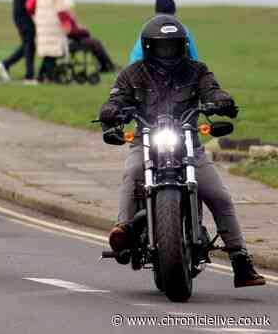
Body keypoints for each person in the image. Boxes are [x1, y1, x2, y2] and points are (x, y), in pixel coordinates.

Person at [98, 15, 264, 288]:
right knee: (132, 171)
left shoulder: (197, 70)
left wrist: (220, 101)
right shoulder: (133, 73)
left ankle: (240, 260)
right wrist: (111, 112)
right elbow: (115, 98)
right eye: (162, 46)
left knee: (220, 195)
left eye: (173, 46)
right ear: (149, 47)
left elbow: (212, 90)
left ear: (182, 46)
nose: (168, 51)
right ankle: (124, 229)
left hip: (189, 145)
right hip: (146, 142)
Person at [0, 0, 37, 83]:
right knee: (29, 45)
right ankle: (29, 76)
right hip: (23, 17)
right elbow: (30, 0)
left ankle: (6, 64)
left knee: (28, 45)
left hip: (24, 17)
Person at [127, 0, 199, 64]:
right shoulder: (183, 30)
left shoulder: (148, 29)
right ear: (174, 11)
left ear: (156, 11)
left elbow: (136, 57)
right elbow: (194, 58)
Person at [32, 0, 69, 83]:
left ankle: (41, 76)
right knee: (53, 52)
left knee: (47, 52)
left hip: (42, 24)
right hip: (53, 24)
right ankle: (50, 76)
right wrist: (66, 24)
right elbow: (60, 9)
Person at [60, 4, 116, 73]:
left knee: (95, 42)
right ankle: (108, 66)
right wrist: (83, 31)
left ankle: (108, 66)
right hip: (72, 41)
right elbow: (68, 31)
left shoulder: (65, 16)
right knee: (95, 43)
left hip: (74, 40)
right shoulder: (64, 16)